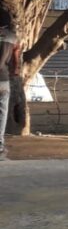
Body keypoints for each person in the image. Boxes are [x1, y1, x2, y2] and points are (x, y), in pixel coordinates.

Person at [0, 9, 18, 160]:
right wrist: (13, 73)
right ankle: (0, 145)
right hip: (3, 79)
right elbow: (15, 62)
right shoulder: (12, 37)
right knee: (2, 113)